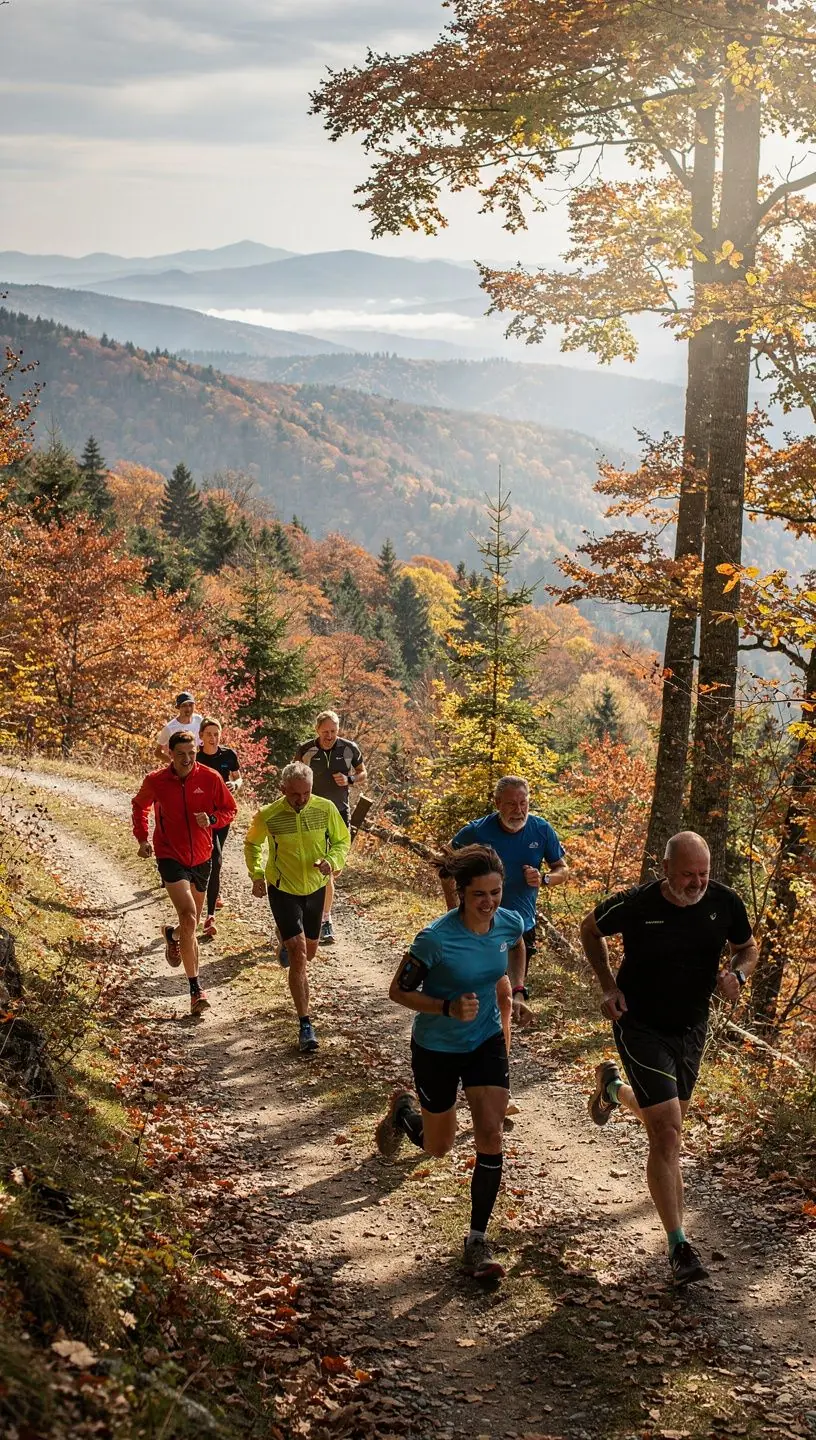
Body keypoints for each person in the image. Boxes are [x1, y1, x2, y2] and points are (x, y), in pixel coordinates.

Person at [580, 831, 758, 1286]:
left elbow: (747, 946)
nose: (697, 883)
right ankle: (679, 1246)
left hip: (691, 1028)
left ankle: (613, 1090)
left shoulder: (725, 902)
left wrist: (737, 972)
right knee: (667, 1131)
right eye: (687, 874)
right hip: (639, 1024)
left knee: (668, 1118)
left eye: (703, 874)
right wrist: (606, 984)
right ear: (666, 870)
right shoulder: (638, 904)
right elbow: (589, 927)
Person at [375, 845, 533, 1281]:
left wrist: (517, 990)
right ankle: (404, 1112)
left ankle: (477, 1239)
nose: (489, 903)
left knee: (490, 1129)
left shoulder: (509, 921)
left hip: (484, 1040)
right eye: (479, 894)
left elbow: (517, 945)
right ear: (461, 893)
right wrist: (445, 1008)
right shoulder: (435, 939)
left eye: (496, 892)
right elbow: (397, 991)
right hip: (437, 1046)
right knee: (439, 1146)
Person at [443, 776, 568, 1071]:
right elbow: (444, 866)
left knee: (503, 1001)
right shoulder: (477, 831)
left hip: (521, 928)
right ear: (497, 803)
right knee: (501, 999)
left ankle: (492, 1069)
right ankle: (494, 1073)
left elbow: (562, 868)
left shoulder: (541, 829)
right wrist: (455, 913)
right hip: (480, 929)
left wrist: (545, 879)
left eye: (523, 803)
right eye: (511, 804)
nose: (518, 809)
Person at [245, 762, 350, 1054]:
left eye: (306, 793)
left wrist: (332, 861)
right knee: (298, 954)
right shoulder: (269, 814)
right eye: (295, 795)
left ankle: (286, 939)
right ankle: (305, 1024)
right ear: (283, 790)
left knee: (310, 952)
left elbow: (342, 840)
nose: (301, 799)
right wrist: (256, 874)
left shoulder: (325, 808)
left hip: (315, 888)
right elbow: (252, 844)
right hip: (282, 888)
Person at [132, 730, 237, 1015]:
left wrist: (213, 819)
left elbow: (230, 810)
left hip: (203, 857)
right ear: (171, 754)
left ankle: (173, 936)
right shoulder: (156, 781)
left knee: (190, 923)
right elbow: (139, 806)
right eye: (181, 755)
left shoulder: (210, 778)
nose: (188, 759)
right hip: (170, 855)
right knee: (190, 915)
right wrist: (142, 838)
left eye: (192, 754)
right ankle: (195, 990)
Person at [295, 710, 366, 945]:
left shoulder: (349, 748)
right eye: (325, 732)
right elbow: (294, 777)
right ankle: (324, 920)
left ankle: (322, 916)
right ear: (317, 730)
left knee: (332, 871)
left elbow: (362, 772)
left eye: (333, 731)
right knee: (314, 866)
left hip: (338, 814)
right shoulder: (306, 750)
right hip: (310, 815)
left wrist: (350, 780)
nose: (330, 736)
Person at [196, 717, 242, 938]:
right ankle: (209, 914)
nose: (213, 738)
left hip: (222, 814)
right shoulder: (195, 757)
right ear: (201, 736)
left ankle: (213, 890)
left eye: (217, 734)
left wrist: (235, 784)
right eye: (209, 734)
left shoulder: (229, 755)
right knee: (212, 857)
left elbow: (238, 777)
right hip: (201, 816)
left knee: (217, 855)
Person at [155, 692, 203, 761]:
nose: (188, 709)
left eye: (190, 705)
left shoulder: (199, 720)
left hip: (198, 763)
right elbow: (157, 752)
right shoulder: (169, 728)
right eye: (184, 706)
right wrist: (173, 763)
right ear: (178, 707)